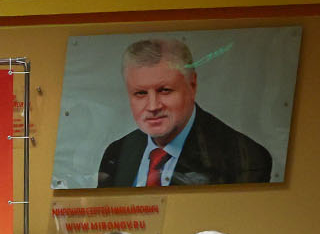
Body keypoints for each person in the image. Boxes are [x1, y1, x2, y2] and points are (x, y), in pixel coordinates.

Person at [96, 38, 272, 188]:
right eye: (140, 93)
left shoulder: (244, 159)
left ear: (192, 85)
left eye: (164, 90)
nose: (153, 106)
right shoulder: (117, 153)